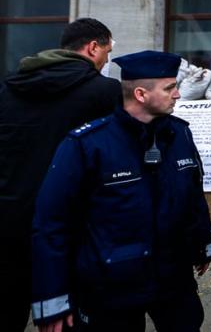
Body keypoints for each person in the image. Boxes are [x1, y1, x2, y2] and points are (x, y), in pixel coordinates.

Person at [30, 50, 211, 332]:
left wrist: (203, 244)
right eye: (169, 87)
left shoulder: (178, 134)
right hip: (110, 288)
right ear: (141, 94)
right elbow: (51, 224)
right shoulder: (88, 145)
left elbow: (191, 195)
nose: (177, 94)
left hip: (173, 280)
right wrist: (52, 299)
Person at [0, 18, 121, 332]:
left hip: (9, 221)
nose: (106, 61)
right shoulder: (103, 91)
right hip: (71, 229)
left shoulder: (9, 87)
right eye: (107, 52)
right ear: (93, 47)